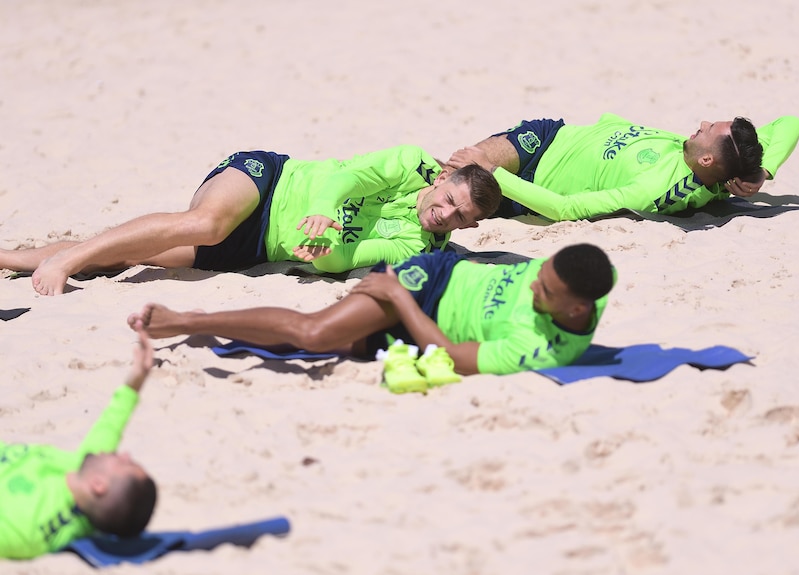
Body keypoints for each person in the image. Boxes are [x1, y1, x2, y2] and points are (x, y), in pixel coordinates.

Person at [0, 146, 501, 296]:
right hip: (269, 181)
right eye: (452, 197)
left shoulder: (423, 248)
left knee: (134, 254)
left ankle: (12, 258)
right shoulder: (410, 164)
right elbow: (344, 180)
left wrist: (326, 254)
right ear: (444, 178)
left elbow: (352, 259)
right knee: (206, 223)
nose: (447, 212)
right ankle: (68, 260)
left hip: (261, 247)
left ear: (468, 227)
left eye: (461, 216)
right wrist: (323, 212)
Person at [127, 243, 615, 376]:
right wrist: (401, 293)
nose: (532, 287)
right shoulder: (586, 273)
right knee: (316, 334)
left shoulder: (544, 350)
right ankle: (184, 319)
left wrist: (400, 306)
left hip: (419, 324)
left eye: (544, 292)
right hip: (429, 281)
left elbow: (448, 356)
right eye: (539, 275)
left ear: (576, 309)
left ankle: (203, 329)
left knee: (325, 343)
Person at [446, 114, 799, 221]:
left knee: (458, 177)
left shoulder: (658, 190)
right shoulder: (713, 160)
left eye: (710, 131)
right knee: (454, 171)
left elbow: (566, 209)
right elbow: (789, 123)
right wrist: (763, 171)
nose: (704, 123)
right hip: (551, 135)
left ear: (707, 160)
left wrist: (493, 172)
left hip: (533, 179)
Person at [0, 325, 157, 559]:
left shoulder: (26, 527)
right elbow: (110, 426)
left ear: (99, 485)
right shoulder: (80, 474)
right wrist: (136, 381)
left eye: (126, 464)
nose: (124, 455)